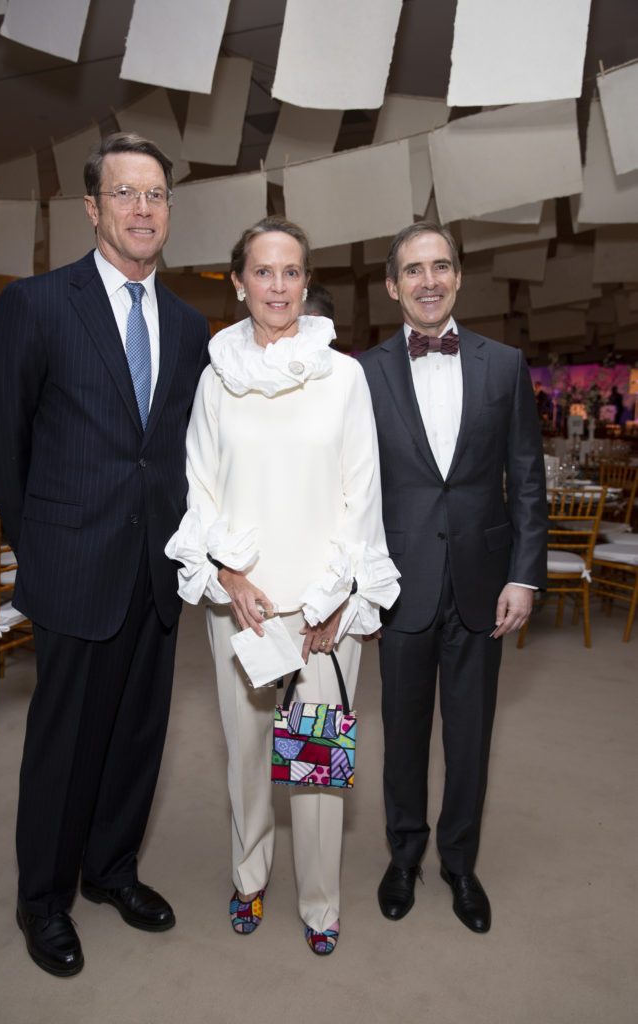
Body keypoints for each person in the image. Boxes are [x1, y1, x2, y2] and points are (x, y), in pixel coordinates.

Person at [0, 132, 210, 977]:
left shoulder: (189, 325)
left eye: (155, 194)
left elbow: (178, 449)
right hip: (72, 564)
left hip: (157, 569)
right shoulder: (35, 305)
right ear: (92, 208)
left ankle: (111, 870)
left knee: (139, 735)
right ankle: (42, 897)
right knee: (63, 742)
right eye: (125, 193)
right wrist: (41, 548)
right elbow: (5, 444)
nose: (142, 208)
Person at [165, 216, 399, 956]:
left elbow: (361, 496)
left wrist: (333, 599)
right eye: (261, 272)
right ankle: (248, 878)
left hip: (320, 613)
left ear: (306, 282)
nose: (276, 285)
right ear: (237, 282)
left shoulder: (344, 377)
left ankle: (321, 904)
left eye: (290, 271)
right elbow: (198, 490)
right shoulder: (215, 379)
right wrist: (227, 576)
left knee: (317, 767)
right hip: (241, 607)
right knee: (245, 753)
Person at [358, 222, 547, 934]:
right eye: (413, 270)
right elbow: (356, 487)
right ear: (391, 285)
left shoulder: (504, 364)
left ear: (458, 277)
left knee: (469, 735)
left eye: (440, 267)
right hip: (398, 584)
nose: (428, 280)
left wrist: (524, 575)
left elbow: (525, 477)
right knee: (401, 732)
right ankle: (403, 855)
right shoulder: (364, 370)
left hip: (482, 580)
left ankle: (459, 865)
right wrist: (358, 584)